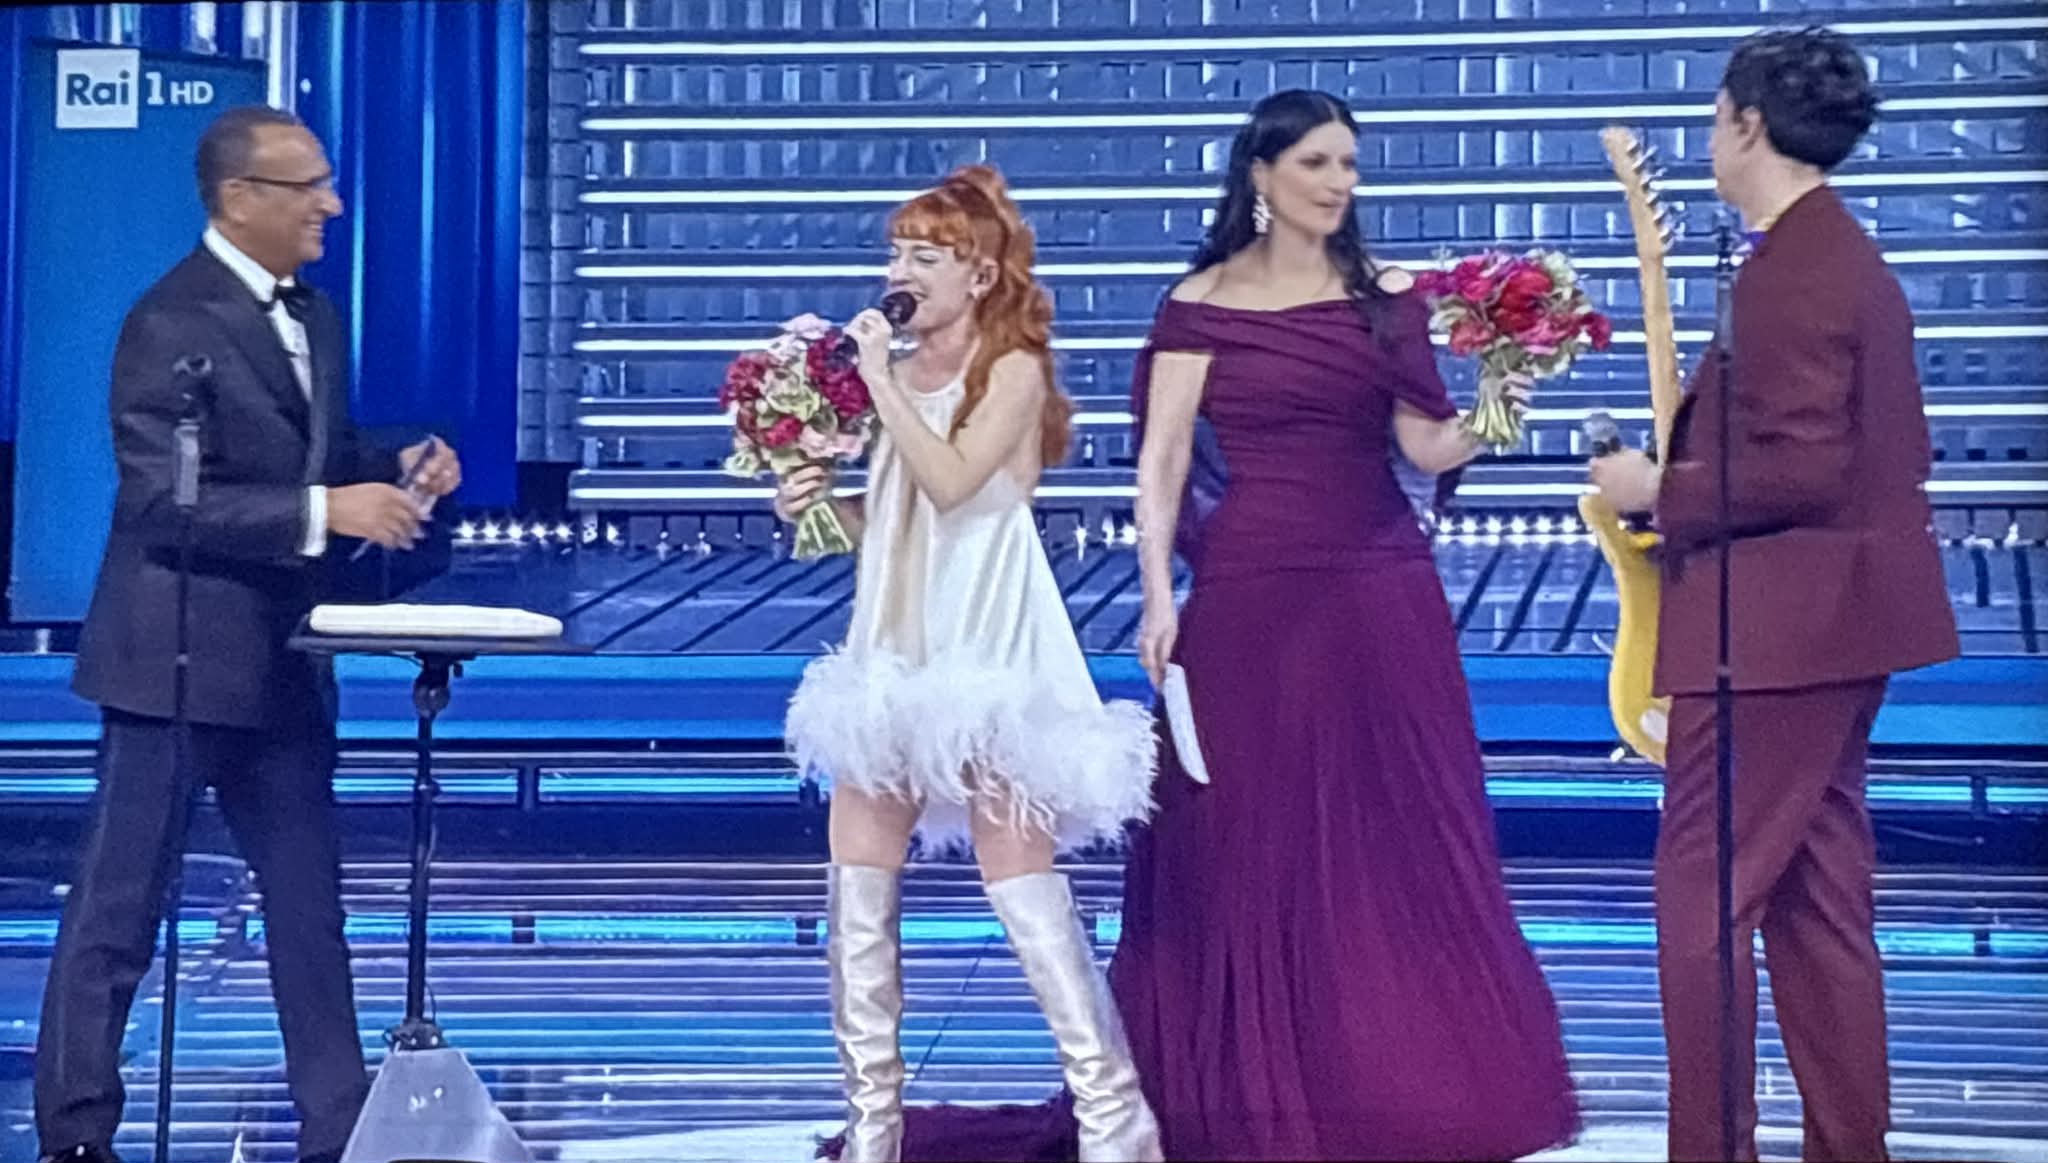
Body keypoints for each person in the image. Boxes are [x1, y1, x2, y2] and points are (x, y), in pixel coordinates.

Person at [878, 89, 1580, 1162]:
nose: (1339, 182)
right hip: (1250, 595)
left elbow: (1426, 448)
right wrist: (1158, 596)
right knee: (1243, 845)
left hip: (1378, 589)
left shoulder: (1387, 299)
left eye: (1348, 163)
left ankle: (1403, 1083)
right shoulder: (1198, 305)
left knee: (1389, 837)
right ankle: (1239, 1092)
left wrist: (1501, 392)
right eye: (1316, 162)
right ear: (1261, 175)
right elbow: (1161, 460)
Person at [36, 105, 459, 1163]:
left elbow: (312, 454)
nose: (332, 204)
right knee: (118, 914)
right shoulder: (170, 321)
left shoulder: (314, 315)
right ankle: (75, 1132)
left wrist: (397, 461)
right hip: (171, 665)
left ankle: (339, 1130)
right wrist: (327, 511)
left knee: (310, 914)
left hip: (283, 664)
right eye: (308, 185)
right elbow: (160, 498)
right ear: (240, 198)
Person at [1589, 27, 1959, 1163]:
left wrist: (1658, 489)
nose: (1709, 138)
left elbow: (1801, 468)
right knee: (1816, 906)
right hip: (1831, 632)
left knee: (1699, 903)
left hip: (1770, 640)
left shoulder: (1793, 277)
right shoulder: (1830, 256)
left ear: (1746, 124)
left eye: (1714, 118)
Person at [777, 164, 1163, 1162]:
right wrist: (814, 501)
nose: (900, 273)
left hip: (988, 651)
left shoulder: (1012, 372)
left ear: (980, 275)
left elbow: (952, 484)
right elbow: (893, 522)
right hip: (892, 651)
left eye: (925, 256)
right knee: (857, 887)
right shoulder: (896, 380)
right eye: (896, 253)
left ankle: (1115, 1118)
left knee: (1018, 879)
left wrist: (873, 381)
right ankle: (873, 1127)